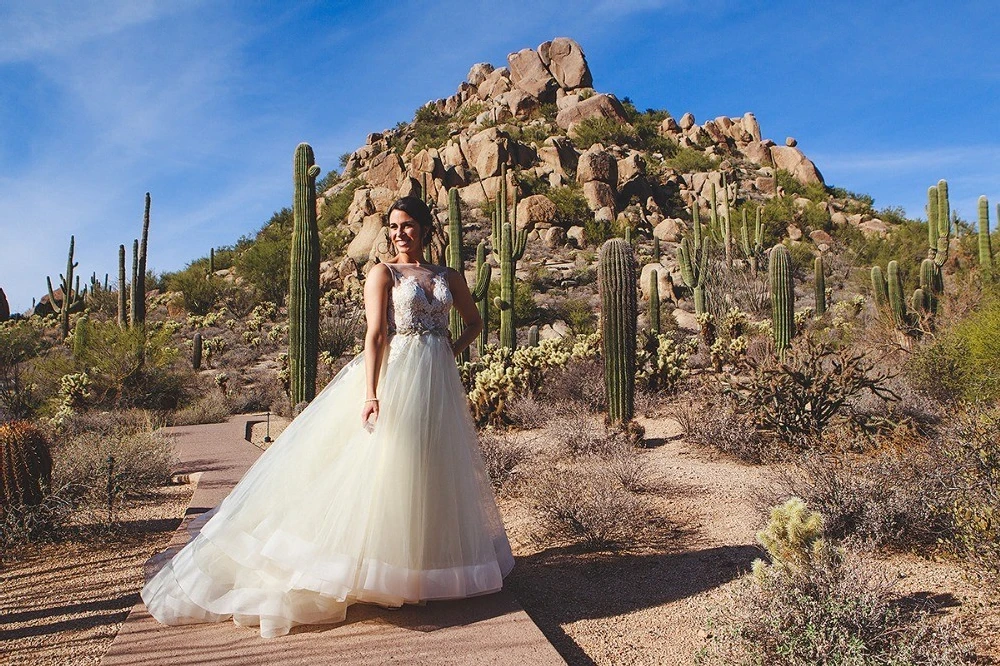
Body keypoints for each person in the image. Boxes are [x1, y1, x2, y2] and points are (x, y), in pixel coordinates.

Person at [140, 196, 515, 638]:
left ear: (426, 230)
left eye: (408, 226)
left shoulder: (446, 275)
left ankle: (425, 568)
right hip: (396, 377)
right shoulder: (384, 273)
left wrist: (447, 352)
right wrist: (371, 392)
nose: (399, 234)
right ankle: (372, 569)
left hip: (437, 383)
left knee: (431, 469)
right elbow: (375, 334)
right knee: (386, 468)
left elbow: (473, 321)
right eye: (393, 227)